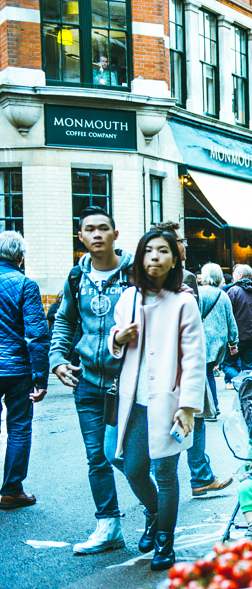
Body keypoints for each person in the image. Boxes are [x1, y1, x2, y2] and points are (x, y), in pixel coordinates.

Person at [109, 229, 205, 570]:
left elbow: (195, 358)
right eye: (148, 250)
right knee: (133, 468)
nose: (154, 256)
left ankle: (166, 540)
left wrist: (189, 407)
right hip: (134, 400)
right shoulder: (127, 299)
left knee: (166, 474)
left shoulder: (184, 301)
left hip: (169, 402)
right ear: (139, 257)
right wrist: (118, 338)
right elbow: (115, 341)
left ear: (174, 258)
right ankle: (153, 514)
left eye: (162, 250)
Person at [49, 208, 132, 549]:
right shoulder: (76, 278)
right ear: (80, 237)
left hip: (130, 383)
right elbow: (65, 321)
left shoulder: (135, 275)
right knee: (97, 456)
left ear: (115, 234)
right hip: (88, 382)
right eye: (89, 230)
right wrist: (56, 358)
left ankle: (158, 512)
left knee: (130, 456)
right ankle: (108, 525)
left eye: (103, 228)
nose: (97, 234)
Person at [0, 231, 48, 509]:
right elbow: (37, 334)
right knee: (18, 427)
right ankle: (11, 490)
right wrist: (41, 377)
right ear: (20, 257)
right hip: (17, 369)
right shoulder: (25, 285)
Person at [196, 261, 238, 419]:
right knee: (209, 373)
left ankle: (212, 407)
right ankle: (212, 406)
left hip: (202, 338)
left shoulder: (199, 293)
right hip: (219, 340)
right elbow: (230, 321)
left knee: (205, 374)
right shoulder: (223, 295)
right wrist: (233, 342)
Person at [221, 264, 252, 388]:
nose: (233, 276)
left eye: (234, 273)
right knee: (248, 366)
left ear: (240, 276)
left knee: (228, 364)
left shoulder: (233, 291)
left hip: (236, 337)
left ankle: (238, 382)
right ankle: (247, 384)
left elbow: (227, 314)